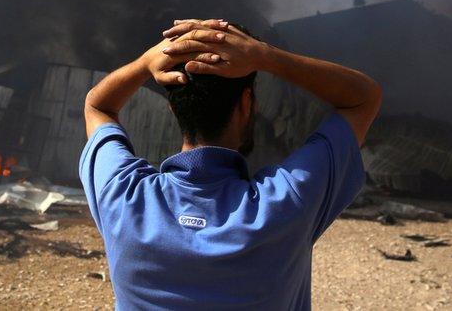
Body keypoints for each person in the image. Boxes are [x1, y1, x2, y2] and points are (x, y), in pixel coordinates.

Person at [80, 18, 382, 310]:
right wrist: (266, 56)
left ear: (173, 108)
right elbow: (363, 98)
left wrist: (145, 63)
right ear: (247, 104)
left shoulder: (123, 195)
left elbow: (97, 105)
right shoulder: (287, 202)